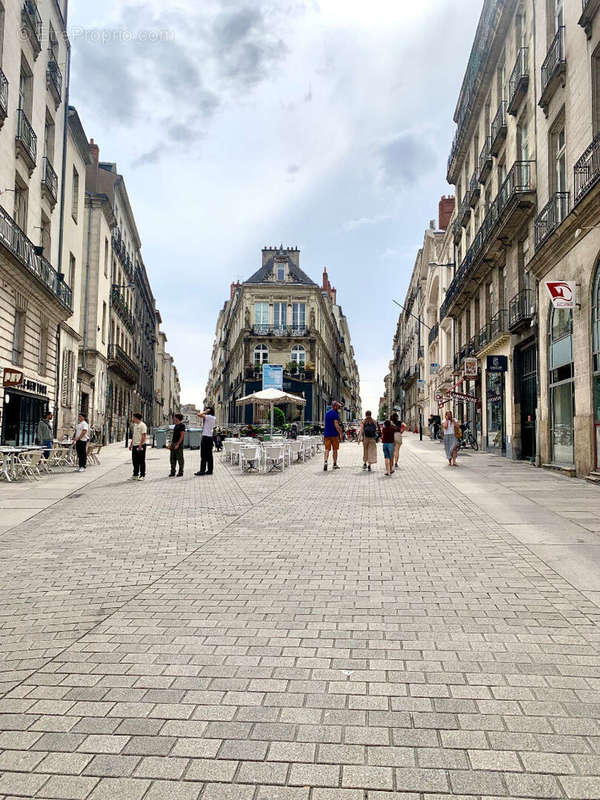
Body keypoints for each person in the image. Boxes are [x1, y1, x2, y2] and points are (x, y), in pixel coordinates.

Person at [196, 406, 216, 476]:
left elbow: (199, 414)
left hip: (206, 437)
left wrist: (206, 411)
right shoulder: (213, 418)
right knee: (209, 455)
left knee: (203, 455)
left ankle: (202, 470)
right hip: (209, 437)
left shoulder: (209, 417)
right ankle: (210, 470)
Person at [323, 401, 343, 471]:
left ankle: (325, 462)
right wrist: (340, 433)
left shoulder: (327, 413)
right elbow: (336, 425)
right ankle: (334, 464)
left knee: (327, 449)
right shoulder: (335, 414)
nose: (339, 408)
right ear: (335, 406)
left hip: (327, 434)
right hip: (334, 435)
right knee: (335, 450)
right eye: (338, 406)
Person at [129, 413, 147, 481]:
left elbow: (144, 436)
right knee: (135, 461)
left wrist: (140, 445)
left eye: (134, 418)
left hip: (141, 445)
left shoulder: (143, 425)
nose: (133, 419)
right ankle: (135, 474)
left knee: (141, 461)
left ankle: (142, 475)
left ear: (137, 418)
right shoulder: (135, 425)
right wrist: (131, 444)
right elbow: (134, 436)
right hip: (134, 445)